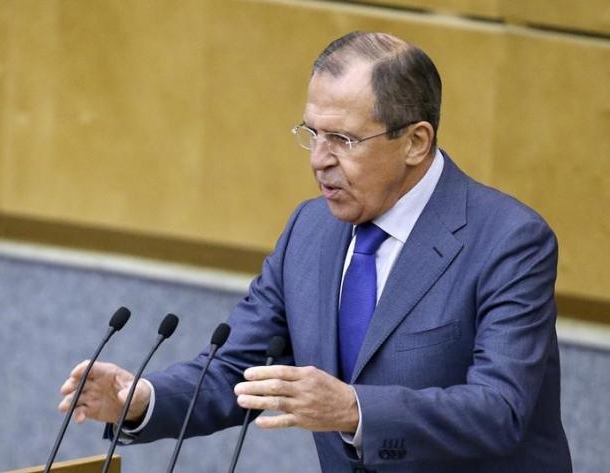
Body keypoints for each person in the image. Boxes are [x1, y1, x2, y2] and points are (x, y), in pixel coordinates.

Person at [59, 31, 572, 472]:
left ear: (416, 141)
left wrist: (353, 408)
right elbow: (237, 369)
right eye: (313, 133)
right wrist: (141, 400)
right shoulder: (310, 230)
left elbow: (500, 410)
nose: (319, 160)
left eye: (343, 139)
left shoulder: (508, 241)